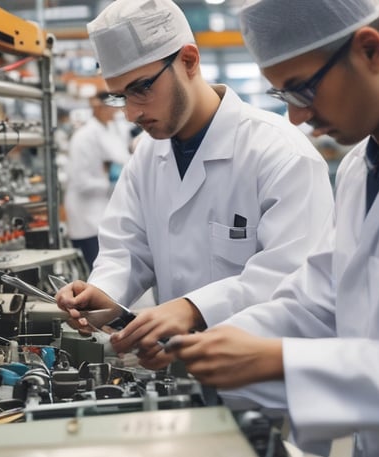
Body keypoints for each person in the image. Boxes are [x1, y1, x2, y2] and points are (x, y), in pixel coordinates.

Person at [165, 0, 379, 455]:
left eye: (302, 90)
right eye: (284, 97)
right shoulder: (362, 165)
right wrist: (217, 344)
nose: (297, 118)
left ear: (370, 50)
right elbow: (320, 299)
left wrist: (278, 361)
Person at [55, 0, 335, 369]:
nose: (133, 113)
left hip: (269, 388)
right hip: (182, 375)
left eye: (141, 88)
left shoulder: (279, 152)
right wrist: (103, 292)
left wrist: (193, 309)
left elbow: (294, 281)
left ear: (188, 60)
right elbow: (127, 248)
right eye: (120, 96)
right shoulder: (146, 155)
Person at [63, 90, 131, 271]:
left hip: (103, 210)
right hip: (86, 215)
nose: (115, 112)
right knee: (96, 271)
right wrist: (111, 184)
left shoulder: (109, 130)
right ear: (99, 107)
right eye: (111, 107)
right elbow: (81, 181)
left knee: (109, 267)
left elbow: (121, 158)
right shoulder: (84, 136)